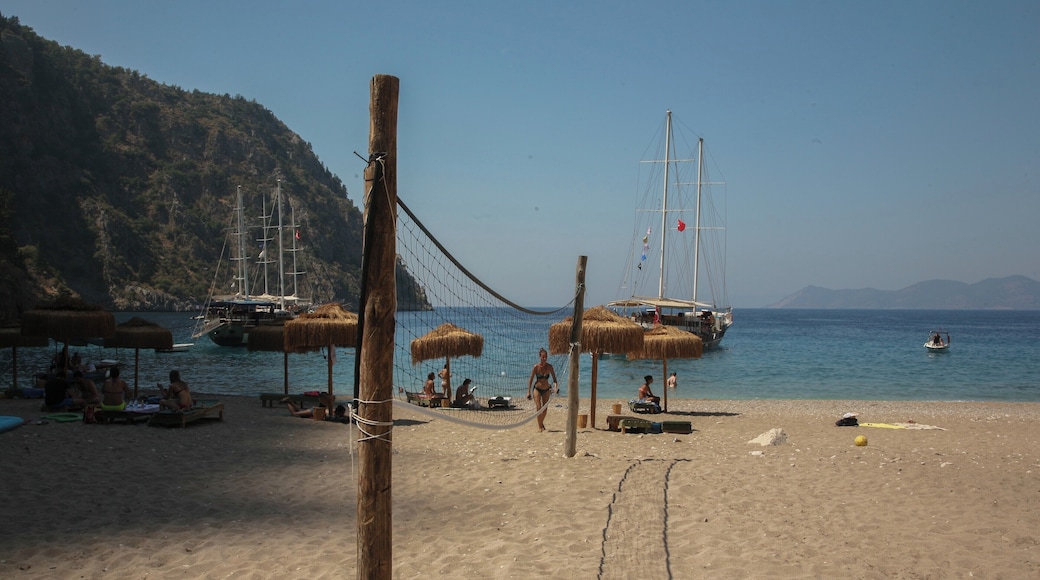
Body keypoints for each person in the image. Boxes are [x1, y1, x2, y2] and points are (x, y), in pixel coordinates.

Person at [527, 348, 558, 432]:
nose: (544, 359)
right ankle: (540, 426)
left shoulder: (549, 367)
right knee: (538, 407)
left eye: (545, 357)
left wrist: (555, 388)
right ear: (539, 357)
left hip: (546, 389)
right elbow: (530, 380)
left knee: (545, 409)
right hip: (537, 389)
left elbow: (555, 379)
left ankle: (541, 423)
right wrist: (528, 392)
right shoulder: (536, 367)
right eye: (543, 357)